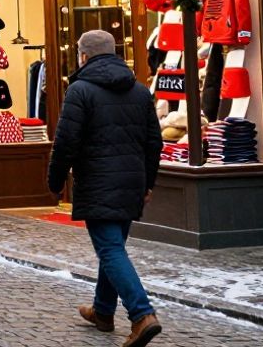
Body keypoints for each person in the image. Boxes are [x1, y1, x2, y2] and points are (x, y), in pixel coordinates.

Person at [48, 30, 163, 347]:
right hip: (132, 182)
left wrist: (55, 182)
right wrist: (148, 182)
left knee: (110, 249)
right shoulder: (140, 91)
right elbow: (155, 142)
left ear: (83, 56)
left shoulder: (80, 90)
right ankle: (102, 311)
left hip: (98, 182)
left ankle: (142, 315)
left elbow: (65, 143)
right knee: (112, 248)